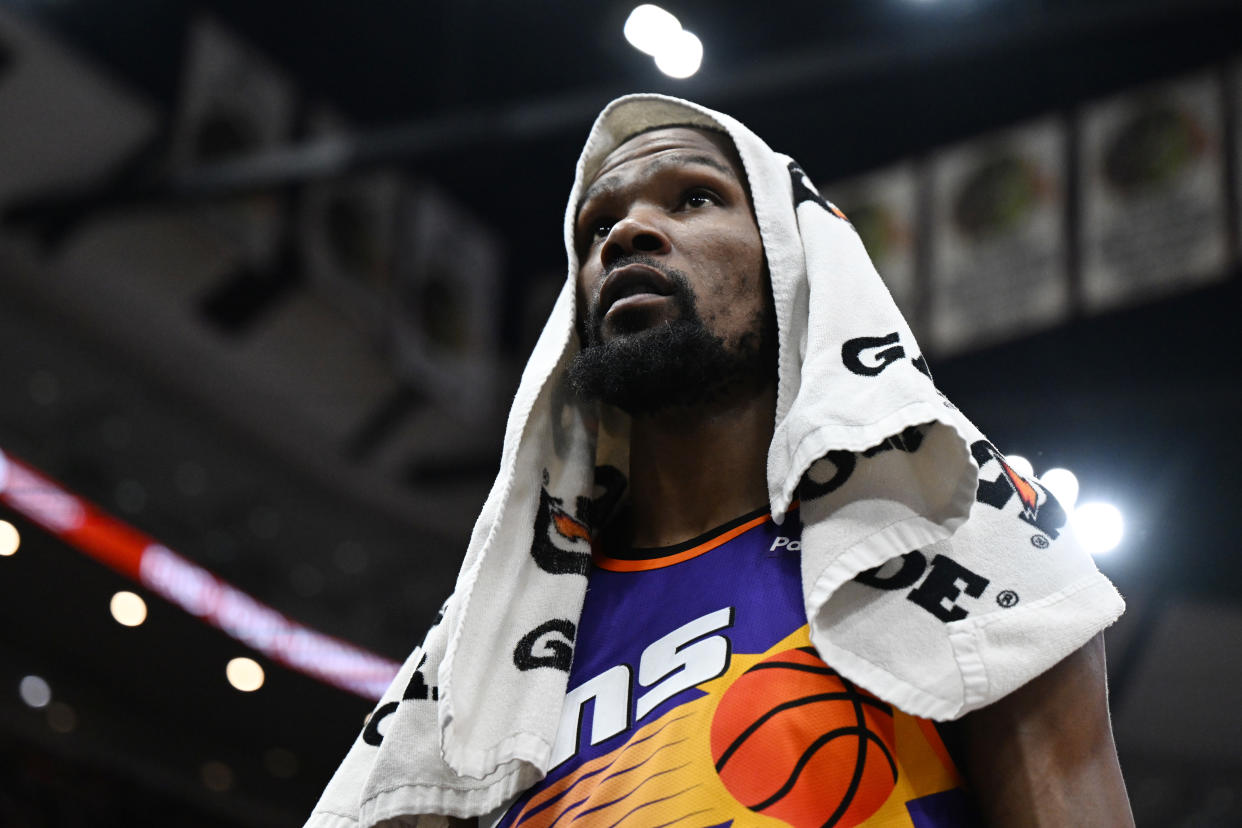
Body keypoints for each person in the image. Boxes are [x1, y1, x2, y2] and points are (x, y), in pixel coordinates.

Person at [307, 96, 1132, 828]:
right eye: (598, 228)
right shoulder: (486, 648)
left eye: (694, 197)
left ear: (792, 262)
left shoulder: (955, 530)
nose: (626, 231)